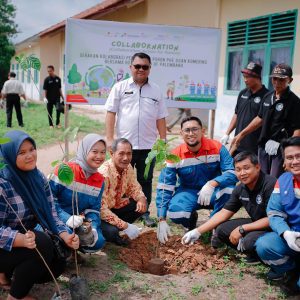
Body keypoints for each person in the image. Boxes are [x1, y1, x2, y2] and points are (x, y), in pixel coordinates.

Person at [0, 130, 79, 300]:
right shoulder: (3, 184)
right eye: (21, 152)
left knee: (57, 262)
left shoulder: (37, 177)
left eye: (31, 149)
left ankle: (5, 276)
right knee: (42, 242)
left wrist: (66, 236)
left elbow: (51, 213)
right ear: (8, 155)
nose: (30, 156)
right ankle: (15, 296)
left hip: (19, 243)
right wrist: (19, 239)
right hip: (4, 244)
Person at [105, 52, 168, 227]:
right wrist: (110, 138)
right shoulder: (119, 87)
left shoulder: (156, 90)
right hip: (125, 146)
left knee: (145, 179)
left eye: (145, 67)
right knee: (121, 178)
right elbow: (111, 113)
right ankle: (123, 210)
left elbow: (161, 117)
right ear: (130, 67)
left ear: (150, 69)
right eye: (137, 66)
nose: (141, 69)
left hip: (149, 146)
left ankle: (145, 212)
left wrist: (163, 141)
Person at [182, 151, 276, 263]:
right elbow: (224, 213)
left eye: (246, 168)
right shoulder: (240, 189)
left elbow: (273, 218)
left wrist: (242, 228)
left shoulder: (270, 184)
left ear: (257, 167)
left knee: (248, 241)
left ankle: (265, 255)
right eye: (238, 169)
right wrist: (197, 231)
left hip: (275, 226)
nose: (242, 173)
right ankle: (253, 254)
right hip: (257, 223)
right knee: (221, 230)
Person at [156, 116, 238, 244]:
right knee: (176, 213)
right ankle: (190, 223)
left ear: (202, 131)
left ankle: (215, 227)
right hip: (188, 192)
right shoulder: (174, 155)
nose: (191, 133)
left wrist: (213, 183)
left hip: (213, 191)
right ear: (181, 133)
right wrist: (161, 218)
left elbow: (232, 173)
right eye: (187, 130)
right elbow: (165, 186)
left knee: (229, 191)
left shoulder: (217, 148)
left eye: (195, 129)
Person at [231, 64, 300, 178]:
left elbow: (297, 130)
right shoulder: (268, 96)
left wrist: (289, 153)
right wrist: (241, 135)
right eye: (274, 78)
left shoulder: (294, 101)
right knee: (262, 179)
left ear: (290, 80)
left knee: (274, 180)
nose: (277, 82)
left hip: (280, 149)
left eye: (281, 79)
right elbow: (260, 119)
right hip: (263, 146)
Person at [256, 137, 300, 295]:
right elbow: (274, 213)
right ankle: (291, 269)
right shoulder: (283, 180)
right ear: (284, 162)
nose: (295, 161)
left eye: (298, 156)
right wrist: (285, 232)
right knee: (264, 245)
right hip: (293, 235)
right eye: (290, 158)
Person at [49, 134, 106, 253]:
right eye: (94, 151)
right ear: (84, 151)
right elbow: (47, 200)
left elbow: (94, 209)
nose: (99, 156)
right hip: (54, 219)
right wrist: (66, 218)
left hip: (78, 223)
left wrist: (93, 227)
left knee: (98, 241)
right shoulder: (65, 171)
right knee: (68, 235)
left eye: (102, 152)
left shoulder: (100, 181)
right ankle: (61, 250)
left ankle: (71, 250)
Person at [99, 138, 147, 246]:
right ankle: (111, 233)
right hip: (97, 214)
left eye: (129, 154)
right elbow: (101, 209)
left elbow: (133, 187)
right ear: (112, 153)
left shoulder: (127, 167)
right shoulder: (104, 174)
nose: (125, 158)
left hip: (113, 207)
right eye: (121, 154)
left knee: (140, 206)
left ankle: (115, 227)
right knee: (112, 232)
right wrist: (125, 226)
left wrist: (141, 198)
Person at [221, 62, 268, 156]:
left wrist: (242, 134)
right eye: (244, 76)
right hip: (237, 143)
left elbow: (261, 120)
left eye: (248, 77)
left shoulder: (266, 96)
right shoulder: (243, 93)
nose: (245, 80)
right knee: (233, 168)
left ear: (257, 77)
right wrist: (227, 133)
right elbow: (236, 114)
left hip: (254, 146)